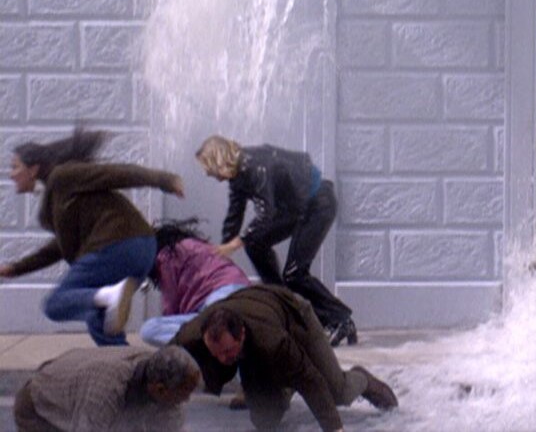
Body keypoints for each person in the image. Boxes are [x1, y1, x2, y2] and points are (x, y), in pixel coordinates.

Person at [0, 127, 184, 345]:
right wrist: (15, 269)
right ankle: (123, 360)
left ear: (33, 169)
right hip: (140, 249)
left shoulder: (63, 175)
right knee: (99, 318)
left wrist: (165, 180)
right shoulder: (55, 198)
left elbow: (116, 174)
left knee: (56, 303)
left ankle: (109, 295)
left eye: (15, 167)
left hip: (118, 244)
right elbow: (58, 247)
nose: (11, 174)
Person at [195, 135, 356, 346]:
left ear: (218, 161)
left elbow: (266, 214)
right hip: (295, 208)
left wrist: (234, 245)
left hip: (317, 204)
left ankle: (340, 319)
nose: (207, 173)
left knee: (294, 273)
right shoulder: (237, 176)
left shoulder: (256, 167)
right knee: (255, 244)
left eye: (208, 167)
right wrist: (223, 251)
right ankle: (283, 305)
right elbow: (235, 213)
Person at [173, 284, 397, 432]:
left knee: (336, 392)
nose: (222, 359)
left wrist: (335, 429)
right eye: (216, 353)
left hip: (295, 316)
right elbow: (161, 366)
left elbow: (310, 380)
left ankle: (361, 378)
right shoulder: (190, 337)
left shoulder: (272, 341)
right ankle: (285, 385)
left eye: (228, 351)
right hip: (256, 317)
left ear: (241, 335)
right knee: (265, 421)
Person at [13, 345, 199, 432]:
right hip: (39, 407)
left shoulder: (159, 378)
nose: (186, 400)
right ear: (160, 390)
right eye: (183, 394)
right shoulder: (104, 392)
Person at [140, 218, 251, 347]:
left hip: (217, 296)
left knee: (149, 329)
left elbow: (171, 307)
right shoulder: (193, 244)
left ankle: (207, 343)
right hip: (243, 291)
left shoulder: (166, 256)